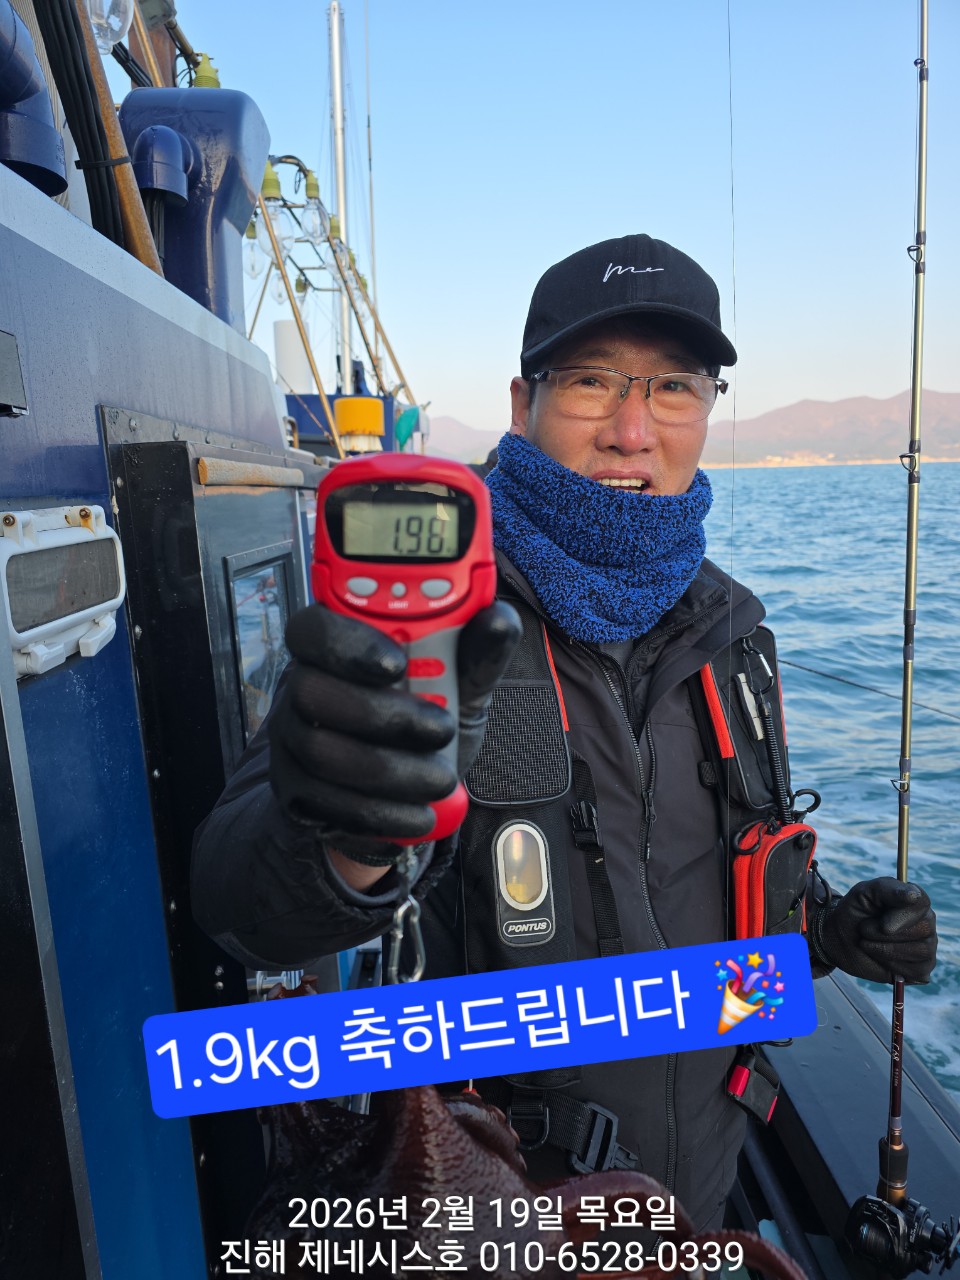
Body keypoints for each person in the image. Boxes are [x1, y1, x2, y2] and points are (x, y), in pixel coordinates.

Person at [192, 234, 937, 1231]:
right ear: (522, 403)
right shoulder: (429, 616)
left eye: (674, 387)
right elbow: (243, 904)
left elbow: (702, 882)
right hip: (495, 1207)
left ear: (708, 409)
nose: (633, 429)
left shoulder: (732, 630)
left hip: (695, 1200)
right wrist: (344, 840)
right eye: (593, 380)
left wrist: (824, 935)